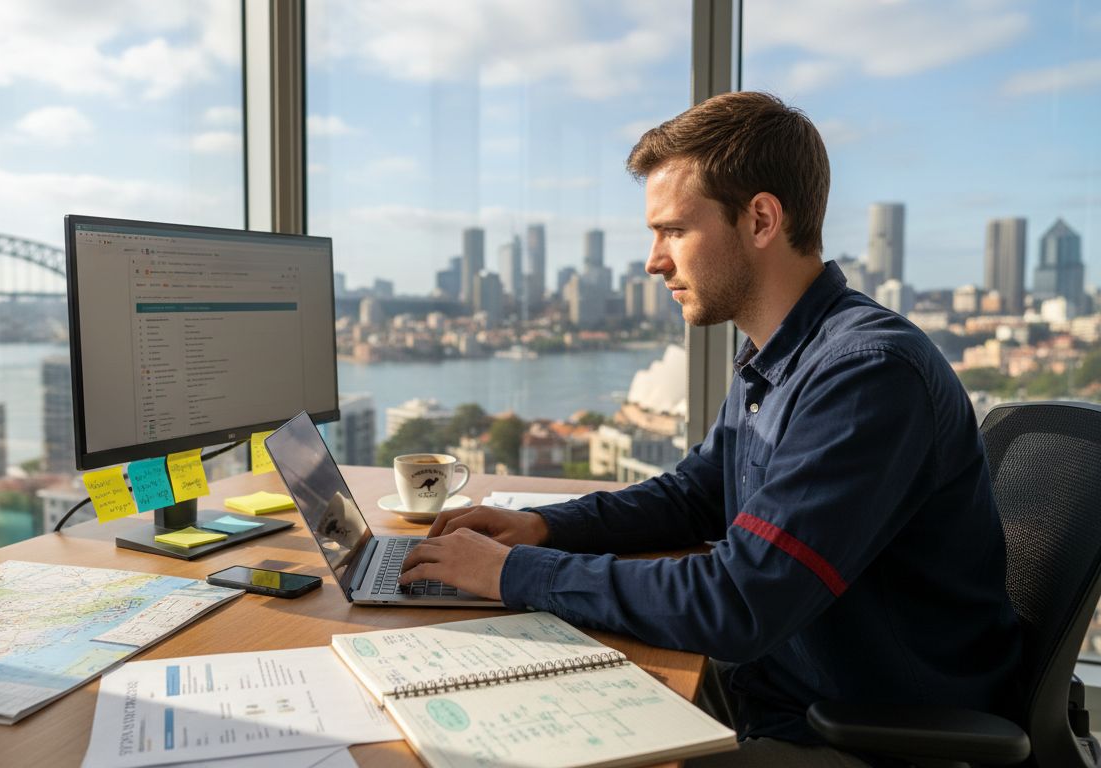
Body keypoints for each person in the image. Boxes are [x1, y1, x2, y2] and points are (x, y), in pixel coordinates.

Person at [399, 91, 1022, 767]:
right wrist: (544, 528)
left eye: (673, 231)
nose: (653, 261)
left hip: (856, 733)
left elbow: (738, 601)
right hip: (774, 689)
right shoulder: (781, 356)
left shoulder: (866, 376)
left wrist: (516, 573)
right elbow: (692, 496)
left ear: (760, 219)